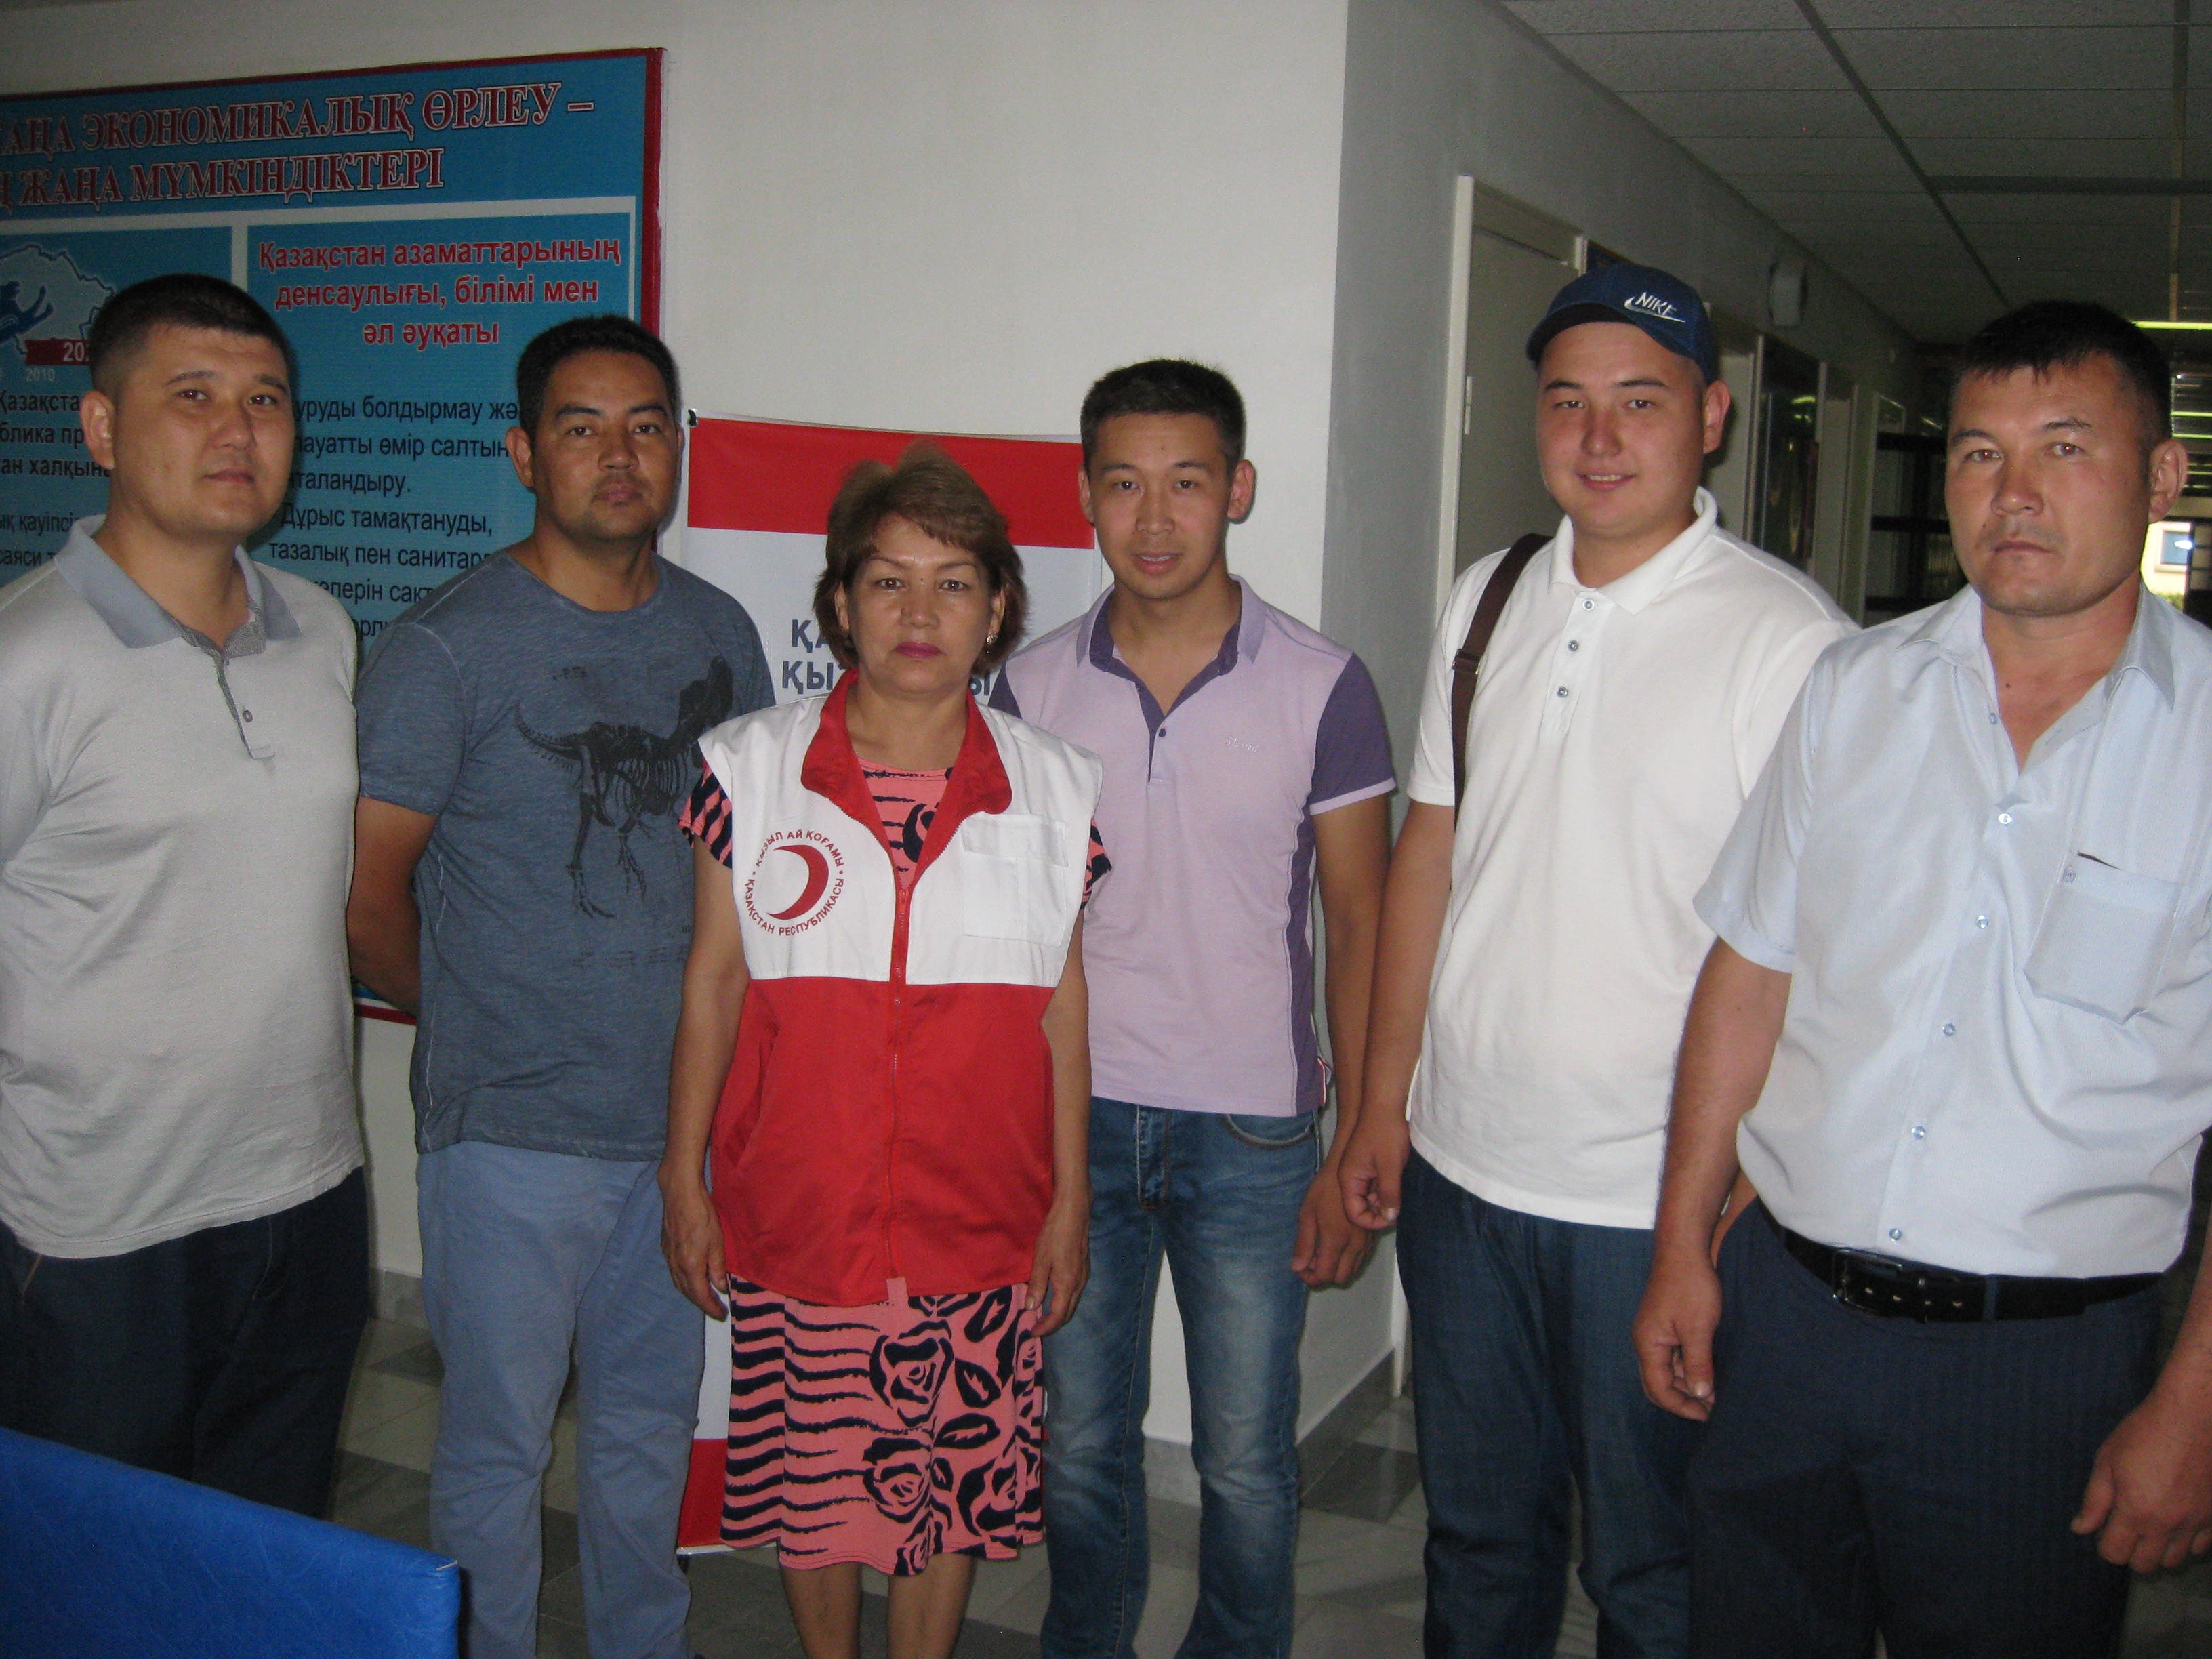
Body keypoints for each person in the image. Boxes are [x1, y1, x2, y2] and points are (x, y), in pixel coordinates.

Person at [1632, 300, 2212, 1658]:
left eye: (2064, 448)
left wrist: (2195, 1405)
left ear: (2162, 475)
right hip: (1789, 1319)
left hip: (2039, 1366)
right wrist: (1680, 1246)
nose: (2014, 495)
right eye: (1978, 453)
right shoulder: (1856, 689)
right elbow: (1750, 976)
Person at [1338, 263, 1852, 1658]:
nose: (1601, 436)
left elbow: (1824, 957)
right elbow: (1430, 858)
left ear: (1713, 417)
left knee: (1653, 1566)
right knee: (1478, 1541)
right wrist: (1384, 1103)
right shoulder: (1490, 597)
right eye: (1568, 402)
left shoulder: (1792, 643)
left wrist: (1729, 1207)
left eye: (1641, 400)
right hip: (1464, 1178)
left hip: (1650, 1204)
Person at [347, 314, 773, 1659]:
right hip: (510, 1138)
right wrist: (473, 1020)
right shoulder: (447, 649)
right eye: (582, 429)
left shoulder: (721, 631)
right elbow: (366, 896)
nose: (619, 455)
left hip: (677, 1140)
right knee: (495, 1451)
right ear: (526, 454)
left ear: (678, 448)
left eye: (646, 426)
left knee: (648, 1436)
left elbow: (746, 870)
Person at [659, 445, 1102, 1659]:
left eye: (954, 584)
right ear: (841, 604)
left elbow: (1063, 1005)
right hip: (802, 1204)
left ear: (997, 608)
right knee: (814, 1491)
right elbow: (712, 983)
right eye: (889, 581)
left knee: (949, 1491)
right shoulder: (745, 770)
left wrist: (1069, 1202)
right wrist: (682, 1176)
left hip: (979, 1211)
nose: (920, 612)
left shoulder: (1059, 790)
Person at [991, 359, 1395, 1658]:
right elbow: (1013, 928)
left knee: (1245, 1454)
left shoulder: (1323, 684)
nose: (1154, 519)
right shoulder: (1030, 688)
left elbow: (1362, 924)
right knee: (1080, 1442)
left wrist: (1355, 1140)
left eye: (1187, 483)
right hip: (1079, 1120)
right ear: (1084, 497)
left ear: (1240, 490)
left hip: (1254, 1134)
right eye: (1124, 485)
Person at [0, 274, 367, 1515]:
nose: (237, 431)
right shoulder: (26, 660)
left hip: (308, 1192)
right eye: (193, 396)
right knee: (95, 1569)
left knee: (265, 1547)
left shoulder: (320, 630)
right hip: (98, 1229)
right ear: (102, 428)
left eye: (266, 399)